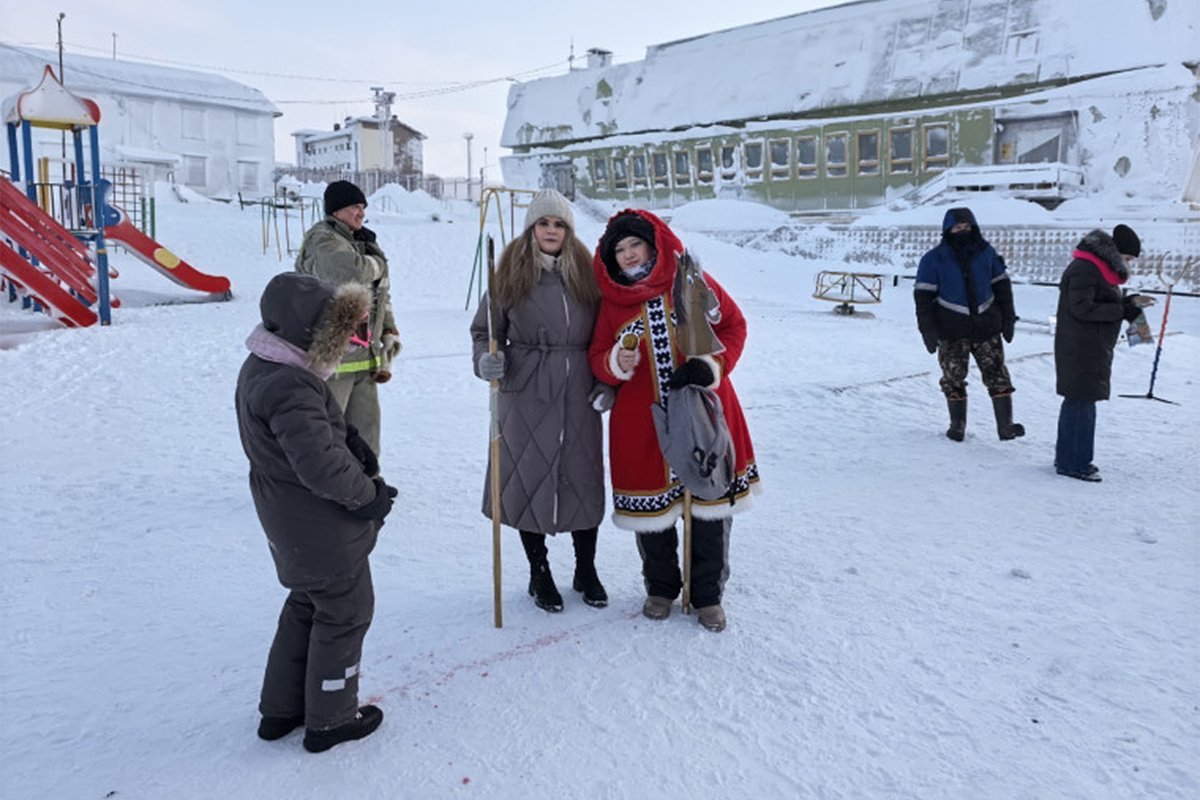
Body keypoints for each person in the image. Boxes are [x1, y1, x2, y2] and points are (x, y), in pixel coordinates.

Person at [235, 272, 398, 753]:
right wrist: (368, 497)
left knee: (308, 604)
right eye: (337, 330)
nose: (347, 341)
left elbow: (317, 434)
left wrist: (350, 439)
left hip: (291, 521)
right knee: (346, 612)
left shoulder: (267, 367)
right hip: (319, 525)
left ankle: (280, 709)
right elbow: (321, 467)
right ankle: (330, 718)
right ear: (310, 332)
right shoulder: (289, 384)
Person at [588, 209, 760, 633]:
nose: (628, 255)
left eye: (635, 245)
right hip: (641, 422)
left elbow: (735, 326)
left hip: (704, 412)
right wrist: (615, 361)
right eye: (620, 250)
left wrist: (710, 368)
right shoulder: (611, 303)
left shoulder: (690, 281)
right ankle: (660, 588)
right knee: (653, 514)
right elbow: (595, 357)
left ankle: (707, 596)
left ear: (653, 243)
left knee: (710, 509)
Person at [469, 189, 611, 612]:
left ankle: (586, 570)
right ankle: (539, 572)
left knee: (582, 478)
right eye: (543, 223)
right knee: (528, 479)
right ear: (532, 228)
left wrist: (608, 381)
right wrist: (487, 360)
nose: (551, 231)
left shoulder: (589, 274)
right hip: (525, 388)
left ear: (569, 230)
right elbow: (484, 331)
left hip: (580, 388)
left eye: (559, 224)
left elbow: (607, 333)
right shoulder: (509, 272)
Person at [295, 180, 402, 466]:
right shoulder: (323, 240)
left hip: (364, 356)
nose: (361, 213)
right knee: (328, 430)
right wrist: (378, 263)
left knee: (366, 430)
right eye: (355, 206)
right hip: (332, 358)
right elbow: (352, 272)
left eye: (363, 207)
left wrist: (389, 326)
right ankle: (325, 488)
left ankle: (368, 484)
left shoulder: (362, 241)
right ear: (337, 209)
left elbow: (381, 292)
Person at [914, 207, 1024, 442]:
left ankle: (1005, 426)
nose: (963, 231)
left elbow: (1002, 287)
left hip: (986, 326)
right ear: (947, 230)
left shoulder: (986, 253)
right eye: (957, 227)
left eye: (967, 227)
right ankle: (957, 426)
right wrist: (928, 330)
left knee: (998, 374)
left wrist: (1008, 317)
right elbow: (922, 299)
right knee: (953, 378)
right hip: (951, 330)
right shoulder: (933, 259)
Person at [1053, 224, 1153, 482]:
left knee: (1083, 401)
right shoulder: (1085, 269)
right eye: (1127, 258)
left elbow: (1103, 302)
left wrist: (1129, 304)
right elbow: (1082, 308)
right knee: (1080, 402)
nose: (1129, 263)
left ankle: (1071, 458)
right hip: (1080, 347)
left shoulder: (1099, 269)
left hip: (1091, 346)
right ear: (1114, 252)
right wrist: (1122, 310)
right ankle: (1072, 463)